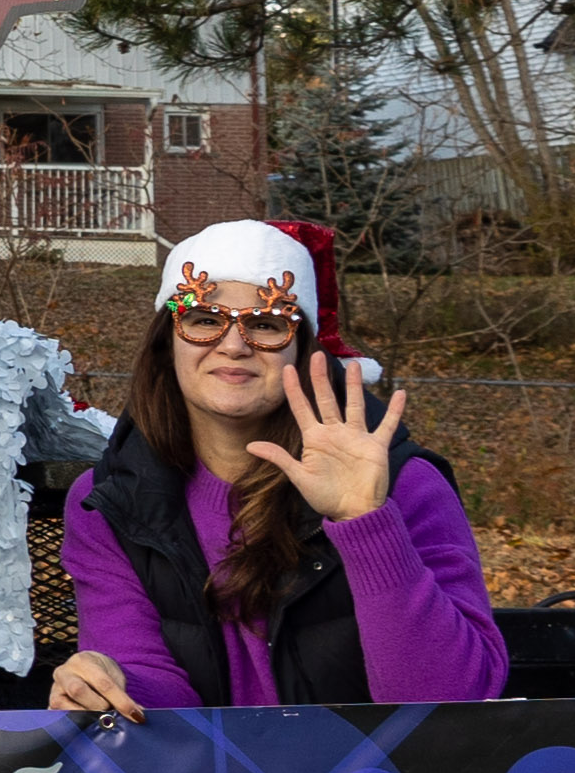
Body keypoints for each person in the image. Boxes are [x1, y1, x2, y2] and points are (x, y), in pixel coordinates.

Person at [55, 221, 503, 715]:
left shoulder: (406, 485)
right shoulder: (109, 503)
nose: (233, 345)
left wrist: (365, 522)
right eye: (203, 318)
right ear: (167, 342)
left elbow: (457, 703)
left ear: (303, 349)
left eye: (267, 324)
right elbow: (154, 700)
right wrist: (113, 684)